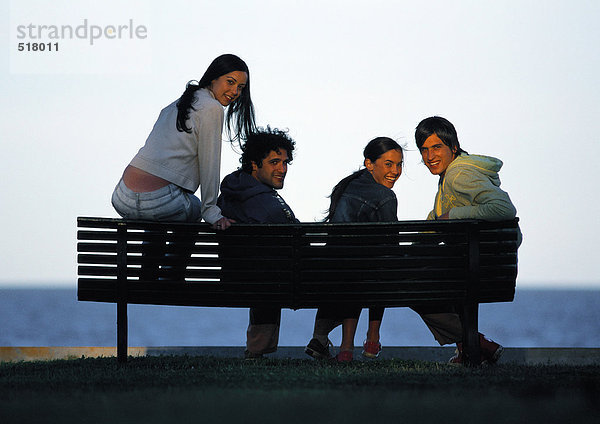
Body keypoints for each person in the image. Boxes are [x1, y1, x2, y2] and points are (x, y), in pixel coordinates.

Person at [414, 115, 520, 365]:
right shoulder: (453, 173)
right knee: (432, 275)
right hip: (482, 263)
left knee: (412, 285)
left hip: (478, 266)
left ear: (453, 147)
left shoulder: (458, 174)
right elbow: (442, 214)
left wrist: (454, 216)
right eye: (424, 150)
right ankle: (469, 348)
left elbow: (503, 208)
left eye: (436, 147)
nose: (429, 156)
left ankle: (475, 343)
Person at [111, 53, 256, 230]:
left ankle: (152, 259)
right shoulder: (212, 107)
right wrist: (210, 210)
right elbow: (210, 164)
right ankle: (174, 259)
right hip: (159, 201)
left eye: (240, 87)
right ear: (213, 79)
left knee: (158, 223)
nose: (235, 92)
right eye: (230, 82)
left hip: (122, 196)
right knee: (195, 210)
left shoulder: (176, 105)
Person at [305, 137, 404, 362]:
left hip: (335, 273)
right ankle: (372, 339)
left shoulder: (347, 185)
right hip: (360, 277)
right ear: (369, 163)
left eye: (399, 165)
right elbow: (392, 247)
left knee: (360, 267)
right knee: (381, 269)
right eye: (388, 164)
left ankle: (344, 347)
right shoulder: (385, 196)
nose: (395, 171)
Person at [217, 126, 298, 359]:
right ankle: (322, 340)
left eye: (285, 163)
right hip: (264, 279)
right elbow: (294, 237)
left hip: (237, 276)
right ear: (254, 164)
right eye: (274, 162)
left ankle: (257, 349)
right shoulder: (263, 202)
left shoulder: (235, 189)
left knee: (270, 271)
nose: (282, 169)